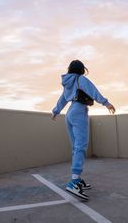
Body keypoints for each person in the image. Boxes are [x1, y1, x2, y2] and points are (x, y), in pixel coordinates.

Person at [51, 60, 116, 200]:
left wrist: (56, 111)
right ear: (81, 69)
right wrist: (106, 103)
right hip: (79, 111)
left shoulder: (68, 82)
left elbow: (62, 99)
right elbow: (93, 90)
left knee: (76, 147)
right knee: (81, 146)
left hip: (69, 114)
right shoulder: (81, 79)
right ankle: (74, 182)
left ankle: (77, 179)